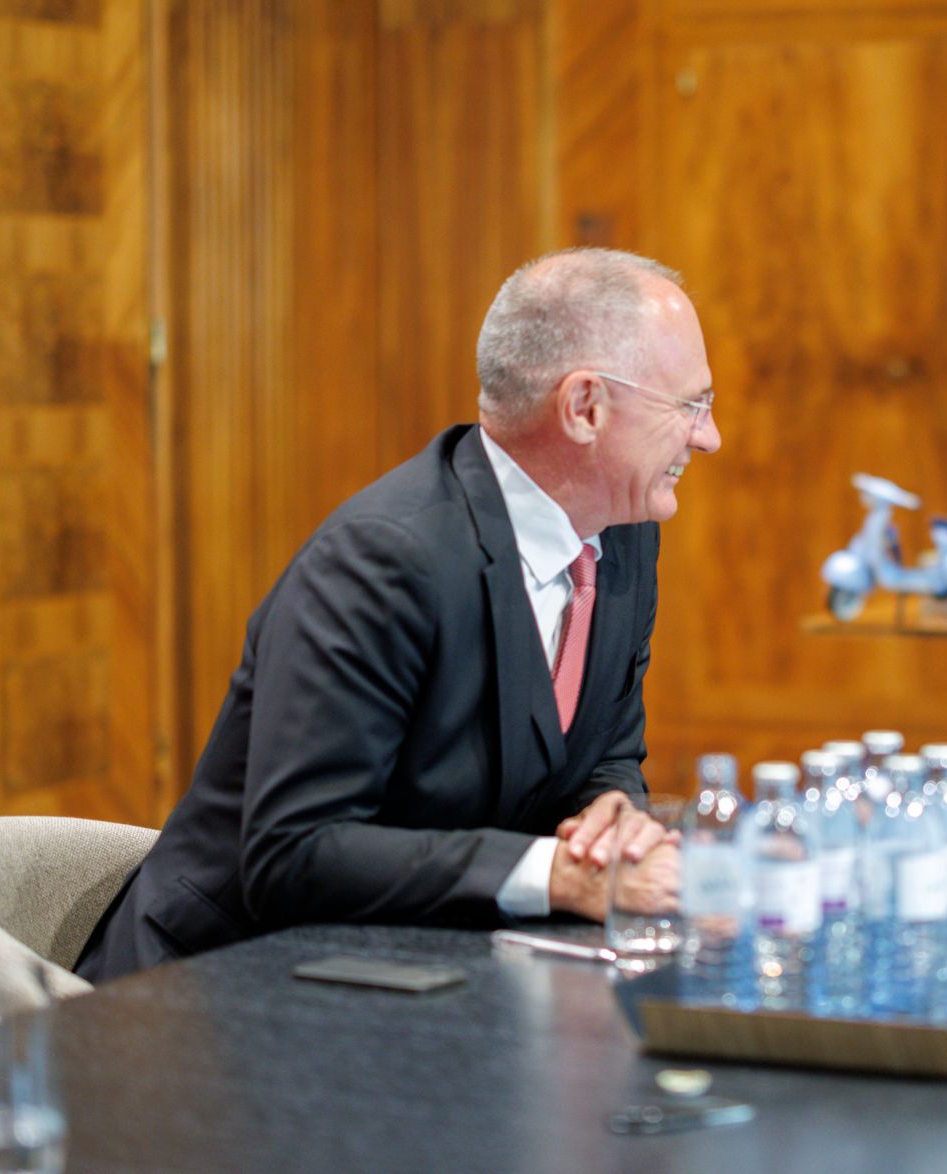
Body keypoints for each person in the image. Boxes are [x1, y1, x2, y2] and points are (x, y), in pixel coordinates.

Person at [77, 248, 719, 980]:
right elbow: (296, 852)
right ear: (584, 407)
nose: (707, 436)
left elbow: (603, 749)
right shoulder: (384, 560)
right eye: (689, 405)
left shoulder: (623, 533)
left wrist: (615, 822)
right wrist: (561, 875)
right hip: (215, 994)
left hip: (428, 970)